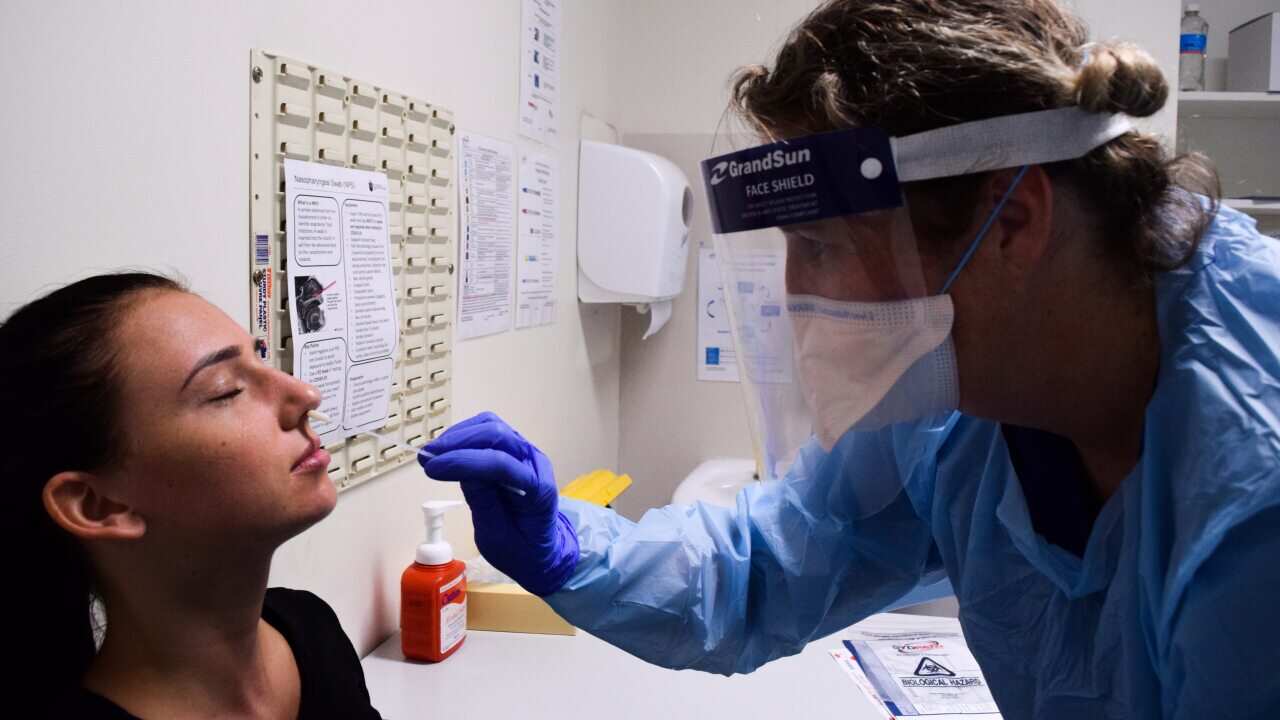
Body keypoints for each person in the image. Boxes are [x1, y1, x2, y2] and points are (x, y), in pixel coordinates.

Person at [420, 1, 1280, 718]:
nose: (797, 291)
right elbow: (779, 556)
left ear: (1013, 222)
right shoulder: (962, 399)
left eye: (823, 245)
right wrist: (576, 550)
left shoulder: (1254, 491)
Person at [5, 273, 382, 719]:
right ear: (98, 505)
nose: (306, 395)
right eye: (226, 390)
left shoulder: (310, 631)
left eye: (261, 358)